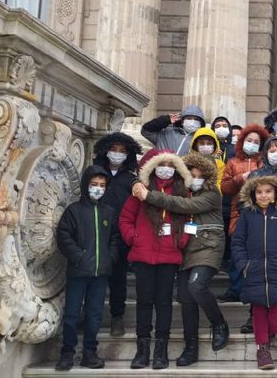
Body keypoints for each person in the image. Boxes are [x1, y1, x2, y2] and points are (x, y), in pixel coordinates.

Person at [141, 153, 229, 366]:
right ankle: (191, 348)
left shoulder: (211, 194)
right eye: (191, 174)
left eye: (200, 175)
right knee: (185, 297)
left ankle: (219, 323)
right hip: (185, 249)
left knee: (196, 286)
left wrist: (149, 195)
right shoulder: (183, 190)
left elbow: (183, 205)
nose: (195, 178)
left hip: (208, 247)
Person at [119, 152, 191, 369]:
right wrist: (134, 238)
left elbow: (191, 220)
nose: (166, 168)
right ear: (153, 167)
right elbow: (125, 219)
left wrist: (183, 240)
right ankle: (142, 350)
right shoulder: (140, 190)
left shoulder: (183, 192)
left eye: (171, 165)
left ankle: (161, 349)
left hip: (169, 256)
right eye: (162, 164)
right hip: (143, 255)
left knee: (164, 303)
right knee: (144, 302)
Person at [55, 165, 121, 371]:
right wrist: (78, 256)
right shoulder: (73, 211)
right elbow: (63, 236)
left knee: (95, 313)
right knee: (72, 313)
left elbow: (115, 238)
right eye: (94, 185)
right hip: (78, 271)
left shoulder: (109, 212)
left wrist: (110, 258)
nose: (98, 189)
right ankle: (67, 353)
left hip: (100, 273)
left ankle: (90, 352)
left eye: (102, 185)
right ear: (86, 185)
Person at [232, 175, 277, 370]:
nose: (263, 195)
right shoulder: (247, 214)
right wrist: (244, 265)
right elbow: (237, 242)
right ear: (253, 194)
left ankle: (266, 338)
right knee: (259, 309)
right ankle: (263, 349)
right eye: (259, 192)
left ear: (275, 193)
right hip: (254, 271)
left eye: (268, 191)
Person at [90, 132, 142, 337]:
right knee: (94, 276)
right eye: (114, 150)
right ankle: (89, 315)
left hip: (119, 236)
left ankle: (117, 316)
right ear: (106, 150)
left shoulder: (130, 178)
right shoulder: (95, 173)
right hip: (94, 231)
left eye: (122, 151)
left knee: (118, 278)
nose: (117, 154)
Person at [220, 124, 270, 304]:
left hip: (259, 213)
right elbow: (224, 188)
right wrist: (240, 178)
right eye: (249, 140)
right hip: (238, 213)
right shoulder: (233, 162)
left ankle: (253, 290)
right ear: (242, 142)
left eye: (256, 142)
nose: (252, 144)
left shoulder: (264, 162)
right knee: (237, 254)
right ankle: (235, 289)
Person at [141, 105, 206, 156]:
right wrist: (165, 120)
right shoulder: (166, 133)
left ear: (201, 123)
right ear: (182, 121)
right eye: (189, 118)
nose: (192, 121)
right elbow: (146, 131)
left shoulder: (202, 140)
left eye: (196, 119)